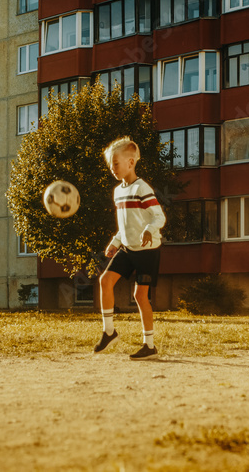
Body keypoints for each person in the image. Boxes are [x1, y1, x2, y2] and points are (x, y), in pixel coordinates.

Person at [93, 137, 165, 360]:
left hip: (147, 251)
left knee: (140, 296)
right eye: (111, 164)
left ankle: (149, 346)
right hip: (127, 248)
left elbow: (159, 217)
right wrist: (115, 242)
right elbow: (125, 224)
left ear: (131, 162)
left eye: (116, 163)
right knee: (105, 280)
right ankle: (109, 332)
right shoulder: (118, 192)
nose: (112, 168)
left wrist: (149, 229)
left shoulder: (142, 189)